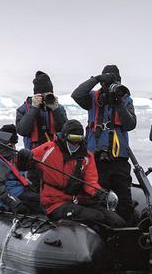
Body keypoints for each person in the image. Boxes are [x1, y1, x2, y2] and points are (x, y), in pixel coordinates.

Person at [71, 65, 137, 223]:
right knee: (96, 197)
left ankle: (125, 233)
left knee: (124, 200)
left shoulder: (125, 100)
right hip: (95, 158)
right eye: (110, 84)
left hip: (119, 158)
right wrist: (97, 79)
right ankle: (100, 231)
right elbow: (76, 94)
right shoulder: (93, 98)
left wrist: (118, 103)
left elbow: (130, 125)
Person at [31, 119, 125, 228]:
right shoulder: (47, 150)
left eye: (79, 139)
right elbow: (21, 162)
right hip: (55, 203)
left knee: (117, 221)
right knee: (96, 216)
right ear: (65, 137)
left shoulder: (87, 157)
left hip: (79, 201)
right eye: (72, 139)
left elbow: (91, 182)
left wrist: (100, 194)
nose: (75, 143)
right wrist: (24, 158)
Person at [15, 70, 68, 149]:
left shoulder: (58, 108)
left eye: (49, 94)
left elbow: (65, 130)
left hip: (55, 151)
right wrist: (34, 108)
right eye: (42, 95)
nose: (45, 97)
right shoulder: (24, 109)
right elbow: (22, 131)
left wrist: (55, 109)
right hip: (33, 154)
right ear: (36, 94)